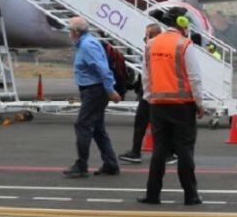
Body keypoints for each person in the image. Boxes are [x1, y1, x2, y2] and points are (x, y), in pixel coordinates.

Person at [137, 15, 205, 206]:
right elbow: (194, 78)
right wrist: (199, 104)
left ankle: (152, 194)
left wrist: (149, 98)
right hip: (182, 105)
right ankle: (190, 195)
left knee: (159, 150)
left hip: (158, 105)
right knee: (184, 150)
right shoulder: (184, 44)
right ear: (183, 26)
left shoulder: (150, 44)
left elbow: (146, 76)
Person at [64, 17, 122, 178]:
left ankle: (81, 165)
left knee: (82, 125)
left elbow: (103, 69)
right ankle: (111, 164)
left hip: (94, 91)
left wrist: (110, 90)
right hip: (92, 90)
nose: (69, 33)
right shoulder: (87, 43)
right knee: (97, 129)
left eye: (70, 30)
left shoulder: (87, 46)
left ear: (75, 32)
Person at [119, 24, 179, 166]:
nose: (144, 39)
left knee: (159, 126)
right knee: (142, 123)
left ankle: (169, 153)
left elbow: (152, 74)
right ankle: (136, 152)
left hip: (155, 95)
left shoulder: (156, 50)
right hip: (149, 94)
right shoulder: (152, 49)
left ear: (153, 36)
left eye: (146, 35)